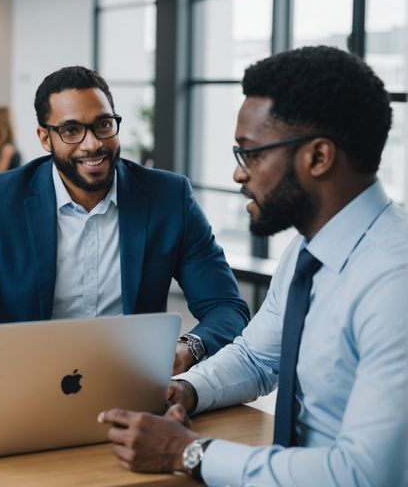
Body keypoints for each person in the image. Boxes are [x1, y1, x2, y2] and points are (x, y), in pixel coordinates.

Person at [98, 46, 407, 486]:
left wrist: (188, 452)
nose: (238, 175)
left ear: (318, 158)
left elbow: (363, 474)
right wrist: (183, 390)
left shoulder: (395, 281)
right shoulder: (308, 252)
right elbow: (256, 358)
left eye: (252, 153)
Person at [0, 66, 249, 374]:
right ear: (45, 138)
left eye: (104, 125)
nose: (93, 144)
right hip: (23, 378)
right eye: (71, 130)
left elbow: (226, 307)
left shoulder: (169, 197)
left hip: (130, 379)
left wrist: (187, 348)